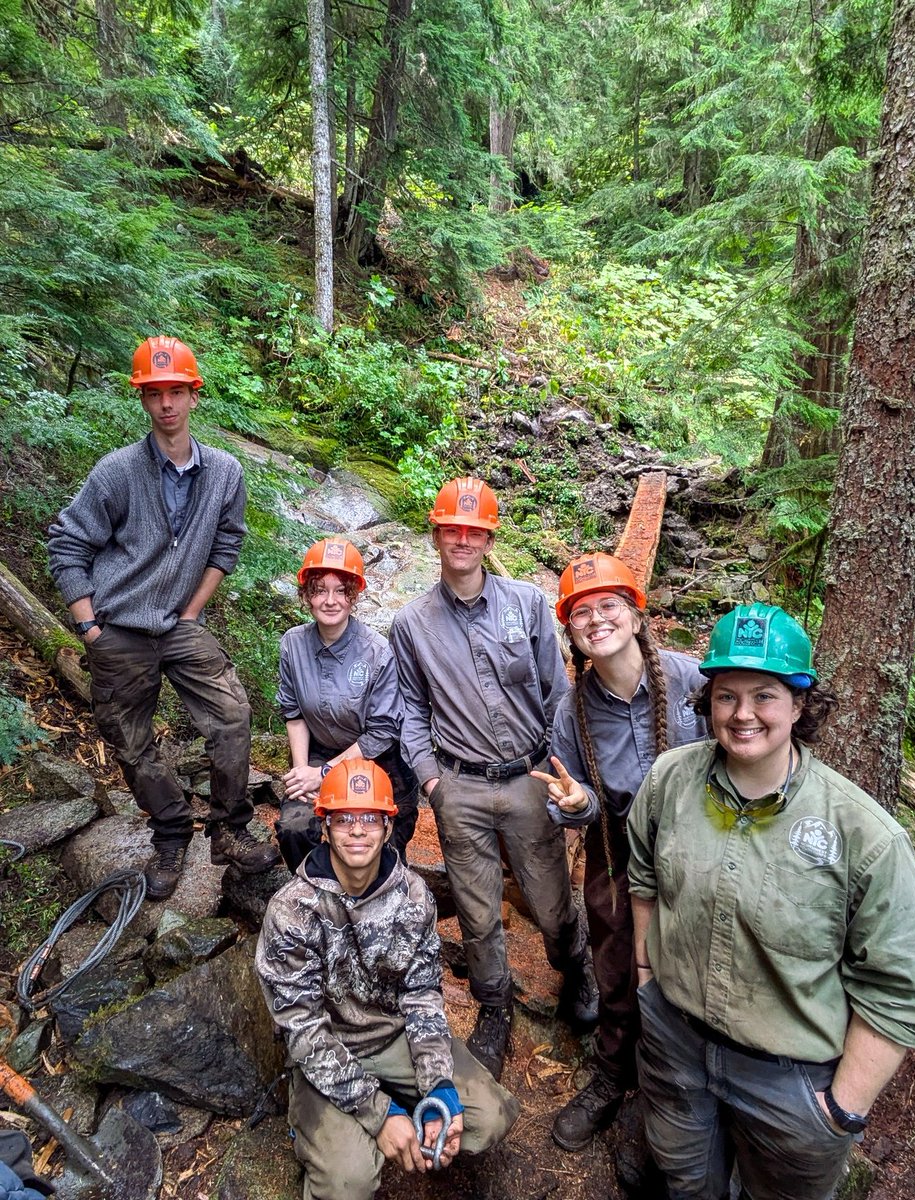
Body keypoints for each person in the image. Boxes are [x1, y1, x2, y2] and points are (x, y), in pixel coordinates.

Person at [625, 602, 915, 1200]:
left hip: (791, 1079)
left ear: (800, 705)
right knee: (685, 1180)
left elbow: (900, 990)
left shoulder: (864, 836)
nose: (743, 714)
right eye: (726, 696)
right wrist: (647, 976)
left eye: (765, 695)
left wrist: (841, 1111)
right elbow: (644, 875)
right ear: (708, 702)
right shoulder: (669, 780)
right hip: (674, 1039)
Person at [47, 336, 279, 901]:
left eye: (176, 391)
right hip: (118, 627)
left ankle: (229, 829)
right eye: (155, 394)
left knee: (231, 713)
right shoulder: (118, 472)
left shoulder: (224, 473)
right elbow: (66, 544)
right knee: (130, 741)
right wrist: (90, 627)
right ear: (144, 400)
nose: (167, 404)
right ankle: (171, 834)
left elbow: (227, 544)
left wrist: (193, 611)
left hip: (179, 624)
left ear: (193, 395)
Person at [390, 476, 597, 1081]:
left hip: (531, 776)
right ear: (437, 535)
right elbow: (409, 708)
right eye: (452, 529)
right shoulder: (412, 623)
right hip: (461, 787)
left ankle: (574, 963)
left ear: (487, 539)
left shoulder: (527, 604)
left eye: (473, 531)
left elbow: (558, 693)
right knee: (478, 914)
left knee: (551, 898)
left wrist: (566, 773)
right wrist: (431, 783)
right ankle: (493, 1007)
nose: (462, 539)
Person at [256, 759, 519, 1200]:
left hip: (395, 1038)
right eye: (345, 818)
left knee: (489, 1117)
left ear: (386, 825)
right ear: (325, 825)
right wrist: (380, 1115)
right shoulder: (291, 911)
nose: (357, 830)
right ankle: (330, 1128)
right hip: (328, 1049)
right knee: (347, 1184)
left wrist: (438, 1085)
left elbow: (421, 997)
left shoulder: (413, 897)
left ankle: (412, 1108)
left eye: (369, 818)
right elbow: (301, 1029)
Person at [531, 552, 706, 1152]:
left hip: (699, 860)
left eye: (609, 606)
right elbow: (570, 808)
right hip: (617, 857)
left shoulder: (693, 682)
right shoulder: (570, 712)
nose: (596, 619)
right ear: (570, 631)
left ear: (636, 616)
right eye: (581, 612)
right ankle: (612, 1075)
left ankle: (667, 1096)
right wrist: (578, 804)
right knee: (616, 973)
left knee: (690, 980)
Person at [276, 537, 418, 871]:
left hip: (379, 759)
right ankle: (317, 890)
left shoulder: (377, 652)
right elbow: (293, 712)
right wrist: (303, 775)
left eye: (341, 591)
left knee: (386, 846)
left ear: (353, 597)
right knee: (295, 828)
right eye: (319, 590)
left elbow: (381, 731)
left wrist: (323, 774)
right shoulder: (293, 644)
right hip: (318, 752)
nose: (329, 601)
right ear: (307, 596)